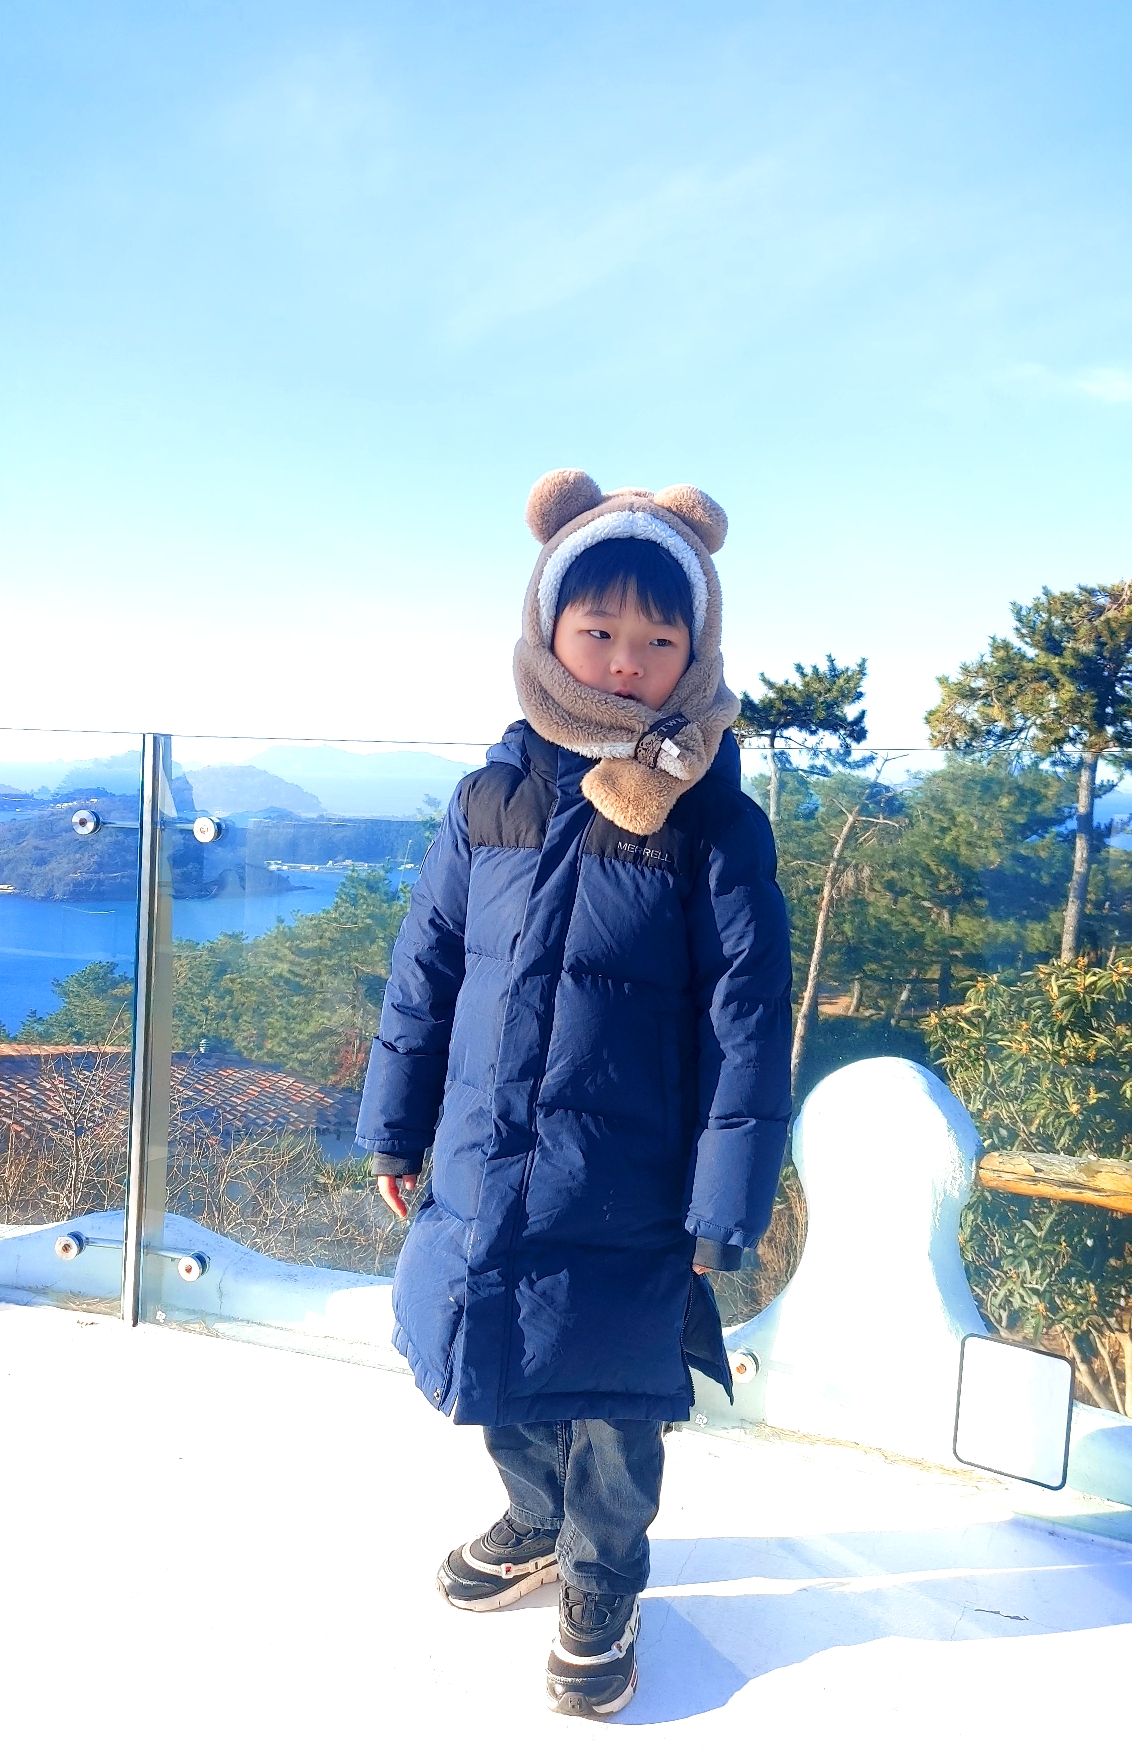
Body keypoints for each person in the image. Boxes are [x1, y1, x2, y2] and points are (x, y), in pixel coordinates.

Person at [356, 468, 792, 1718]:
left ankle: (603, 1575)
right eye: (598, 631)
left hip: (631, 1184)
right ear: (546, 628)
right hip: (484, 1156)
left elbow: (747, 1021)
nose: (625, 663)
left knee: (611, 1395)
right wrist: (395, 1127)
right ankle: (535, 1520)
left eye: (659, 641)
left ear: (695, 653)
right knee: (493, 1349)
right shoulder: (486, 798)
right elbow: (426, 971)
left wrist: (723, 1204)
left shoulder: (711, 822)